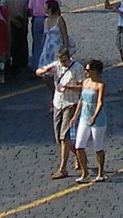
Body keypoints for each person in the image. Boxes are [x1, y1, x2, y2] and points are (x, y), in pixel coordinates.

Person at [39, 48, 83, 180]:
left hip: (71, 103)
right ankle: (79, 155)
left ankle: (62, 169)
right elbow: (38, 71)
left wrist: (68, 87)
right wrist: (44, 71)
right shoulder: (57, 65)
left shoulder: (77, 68)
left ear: (69, 58)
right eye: (60, 60)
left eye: (64, 60)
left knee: (64, 137)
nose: (62, 63)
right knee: (59, 138)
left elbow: (82, 86)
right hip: (58, 103)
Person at [72, 57, 107, 182]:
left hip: (98, 120)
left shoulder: (100, 85)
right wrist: (75, 116)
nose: (86, 72)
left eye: (88, 70)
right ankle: (84, 172)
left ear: (95, 71)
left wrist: (94, 117)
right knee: (79, 146)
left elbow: (100, 103)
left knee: (98, 147)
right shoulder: (85, 82)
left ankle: (101, 172)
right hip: (84, 118)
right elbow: (81, 100)